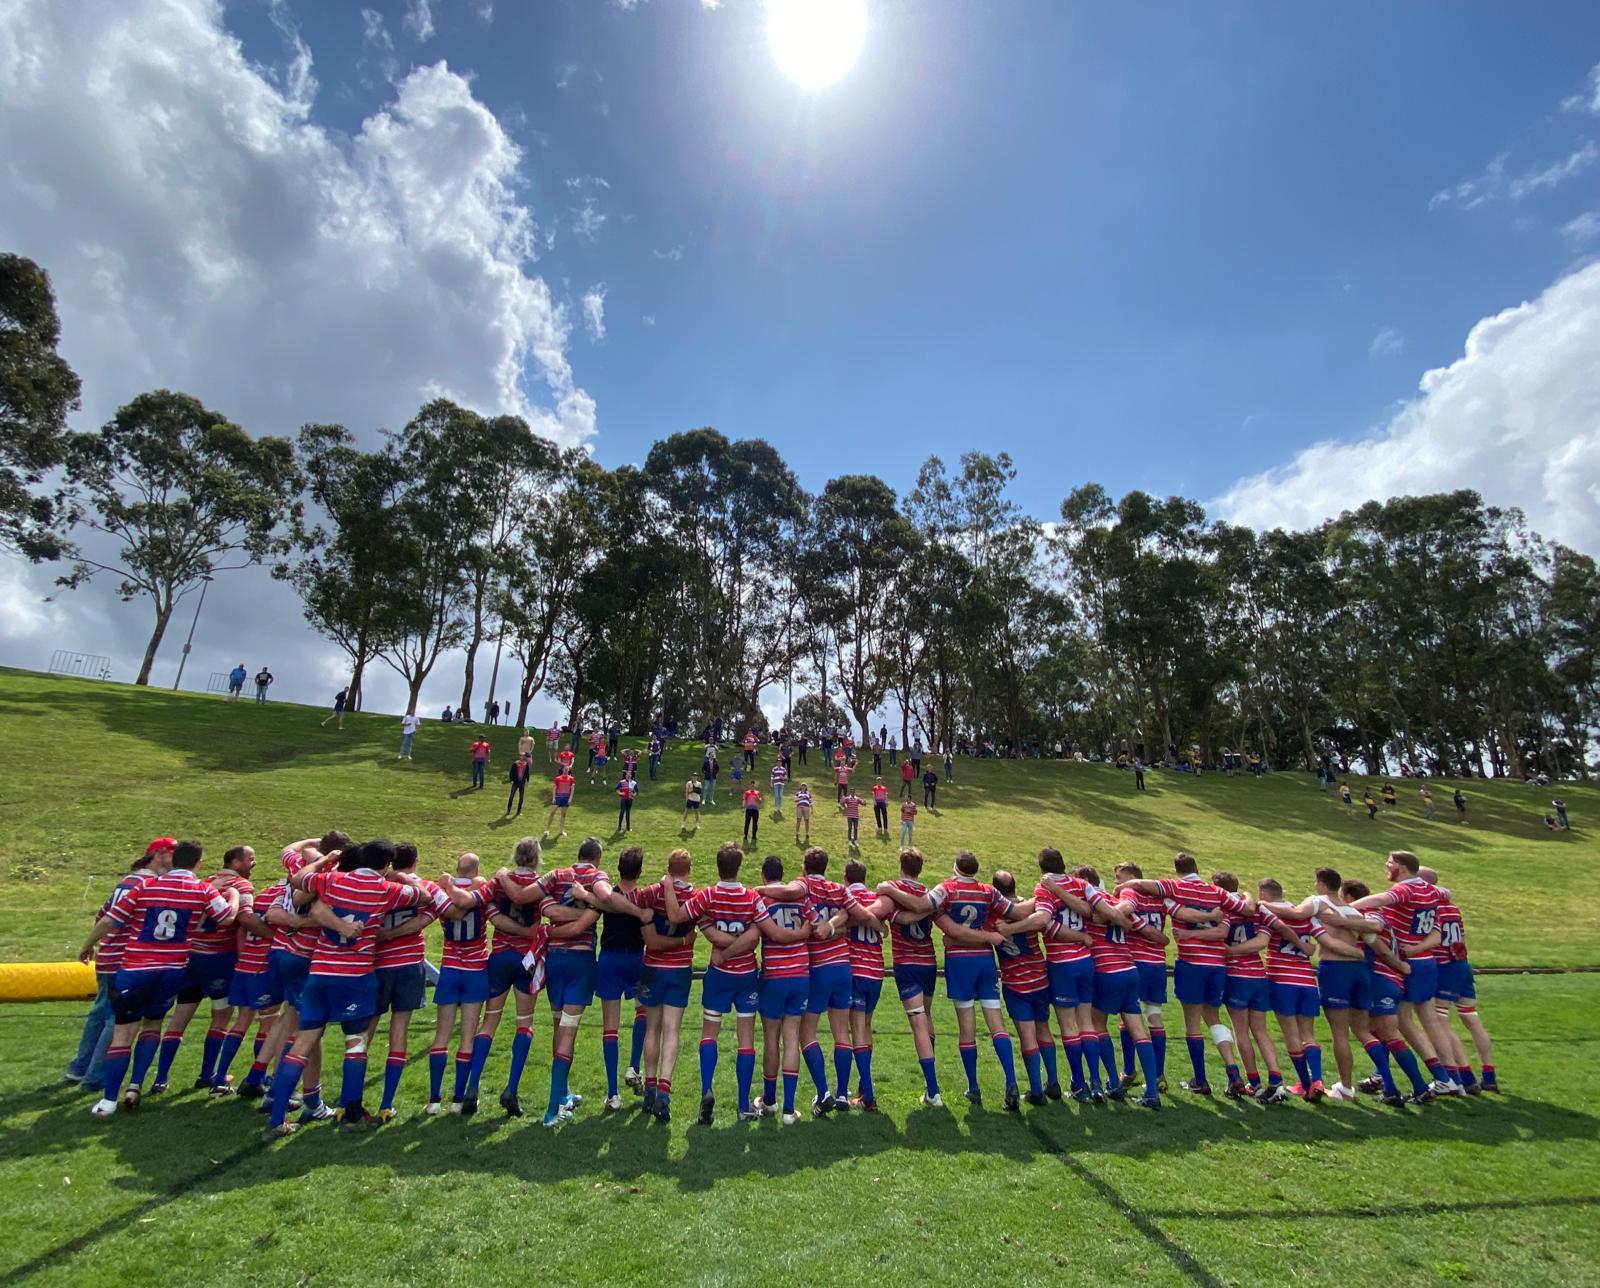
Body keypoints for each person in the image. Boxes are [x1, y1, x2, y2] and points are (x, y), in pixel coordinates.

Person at [264, 840, 436, 1137]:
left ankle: (277, 1120)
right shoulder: (385, 889)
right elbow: (422, 897)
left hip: (320, 972)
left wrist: (322, 862)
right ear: (385, 865)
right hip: (356, 975)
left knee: (302, 1043)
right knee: (355, 1044)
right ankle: (351, 1115)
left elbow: (297, 881)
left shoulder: (331, 880)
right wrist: (400, 878)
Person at [79, 840, 239, 1117]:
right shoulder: (202, 888)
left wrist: (87, 944)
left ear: (173, 859)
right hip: (172, 969)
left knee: (123, 1034)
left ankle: (108, 1101)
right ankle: (136, 1083)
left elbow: (110, 920)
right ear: (198, 863)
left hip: (136, 967)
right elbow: (225, 917)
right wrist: (235, 896)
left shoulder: (145, 886)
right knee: (153, 1025)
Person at [661, 842, 802, 1124]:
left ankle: (707, 1090)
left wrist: (667, 884)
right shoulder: (751, 897)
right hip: (746, 975)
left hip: (718, 973)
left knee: (709, 1032)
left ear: (718, 866)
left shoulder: (708, 895)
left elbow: (676, 916)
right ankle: (741, 1105)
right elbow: (758, 935)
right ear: (739, 866)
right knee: (746, 1040)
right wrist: (741, 944)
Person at [878, 852, 1020, 1110]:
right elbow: (1015, 909)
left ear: (955, 868)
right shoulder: (989, 891)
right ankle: (1011, 1080)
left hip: (959, 962)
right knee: (997, 1024)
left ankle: (973, 1087)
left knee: (966, 1028)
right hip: (986, 962)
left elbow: (931, 914)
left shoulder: (946, 888)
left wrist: (889, 892)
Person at [1116, 854, 1255, 1097]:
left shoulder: (1173, 888)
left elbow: (1178, 911)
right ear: (1197, 868)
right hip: (1217, 965)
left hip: (1190, 962)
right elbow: (1241, 913)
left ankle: (1199, 1079)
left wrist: (1123, 886)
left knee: (1188, 1024)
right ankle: (1234, 1073)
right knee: (1213, 1018)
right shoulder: (1216, 892)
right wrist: (1247, 895)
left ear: (1176, 869)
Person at [150, 843, 257, 1092]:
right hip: (219, 961)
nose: (254, 863)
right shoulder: (242, 886)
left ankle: (161, 1078)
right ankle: (209, 1074)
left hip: (191, 957)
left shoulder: (204, 881)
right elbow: (245, 917)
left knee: (179, 1019)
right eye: (250, 859)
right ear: (235, 862)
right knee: (220, 1019)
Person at [67, 845, 162, 1094]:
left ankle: (79, 1067)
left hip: (108, 955)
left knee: (99, 1013)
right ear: (158, 855)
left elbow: (102, 916)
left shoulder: (127, 880)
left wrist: (95, 944)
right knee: (116, 1019)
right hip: (124, 958)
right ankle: (96, 1076)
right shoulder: (148, 883)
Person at [750, 855, 819, 1125]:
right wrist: (801, 933)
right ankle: (789, 1110)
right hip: (800, 975)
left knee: (771, 1039)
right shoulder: (800, 899)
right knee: (792, 1039)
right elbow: (814, 924)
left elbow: (756, 933)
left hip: (774, 976)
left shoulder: (763, 900)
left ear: (763, 877)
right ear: (783, 874)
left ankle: (769, 1101)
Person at [633, 848, 698, 1121]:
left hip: (653, 967)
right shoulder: (696, 896)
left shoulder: (653, 892)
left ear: (668, 868)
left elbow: (633, 899)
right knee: (672, 1030)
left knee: (652, 1028)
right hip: (680, 968)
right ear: (689, 870)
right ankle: (664, 1089)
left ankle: (649, 1085)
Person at [1422, 866, 1497, 1093]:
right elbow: (1460, 937)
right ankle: (1489, 1075)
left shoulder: (1431, 907)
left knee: (1439, 1019)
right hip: (1461, 963)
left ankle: (1464, 1075)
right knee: (1472, 1019)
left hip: (1445, 966)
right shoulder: (1453, 908)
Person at [990, 871, 1059, 1105]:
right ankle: (1053, 1081)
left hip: (1016, 982)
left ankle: (1037, 1091)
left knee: (1027, 1035)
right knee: (1044, 1029)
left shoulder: (995, 912)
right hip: (1039, 977)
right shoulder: (1029, 908)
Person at [594, 846, 651, 1111]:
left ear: (618, 869)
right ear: (639, 872)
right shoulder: (642, 898)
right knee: (643, 1013)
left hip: (609, 960)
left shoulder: (610, 896)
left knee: (610, 1027)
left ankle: (613, 1093)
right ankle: (634, 1066)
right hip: (636, 961)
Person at [544, 767, 575, 837]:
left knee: (563, 814)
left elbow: (572, 789)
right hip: (558, 797)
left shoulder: (571, 779)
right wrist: (553, 797)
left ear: (569, 771)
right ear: (562, 770)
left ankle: (561, 830)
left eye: (567, 770)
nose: (566, 771)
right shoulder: (558, 778)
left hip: (566, 797)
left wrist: (570, 798)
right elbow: (554, 788)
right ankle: (547, 829)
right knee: (552, 813)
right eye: (565, 769)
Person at [793, 781, 813, 845]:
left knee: (806, 820)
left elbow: (810, 801)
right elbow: (795, 800)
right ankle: (797, 833)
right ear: (800, 787)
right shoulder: (798, 793)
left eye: (804, 786)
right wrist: (800, 798)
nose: (803, 787)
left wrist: (812, 809)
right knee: (798, 820)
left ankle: (807, 834)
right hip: (799, 807)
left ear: (806, 787)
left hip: (806, 807)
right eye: (802, 786)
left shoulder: (808, 793)